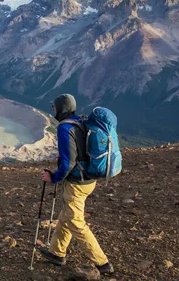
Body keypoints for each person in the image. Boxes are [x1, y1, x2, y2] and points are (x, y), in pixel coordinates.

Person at [40, 93, 114, 274]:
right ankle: (56, 253)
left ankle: (103, 263)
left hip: (77, 183)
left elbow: (68, 163)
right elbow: (78, 151)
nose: (53, 110)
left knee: (75, 221)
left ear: (61, 108)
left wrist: (53, 178)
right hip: (89, 180)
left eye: (54, 107)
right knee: (66, 216)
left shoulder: (65, 128)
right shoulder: (80, 121)